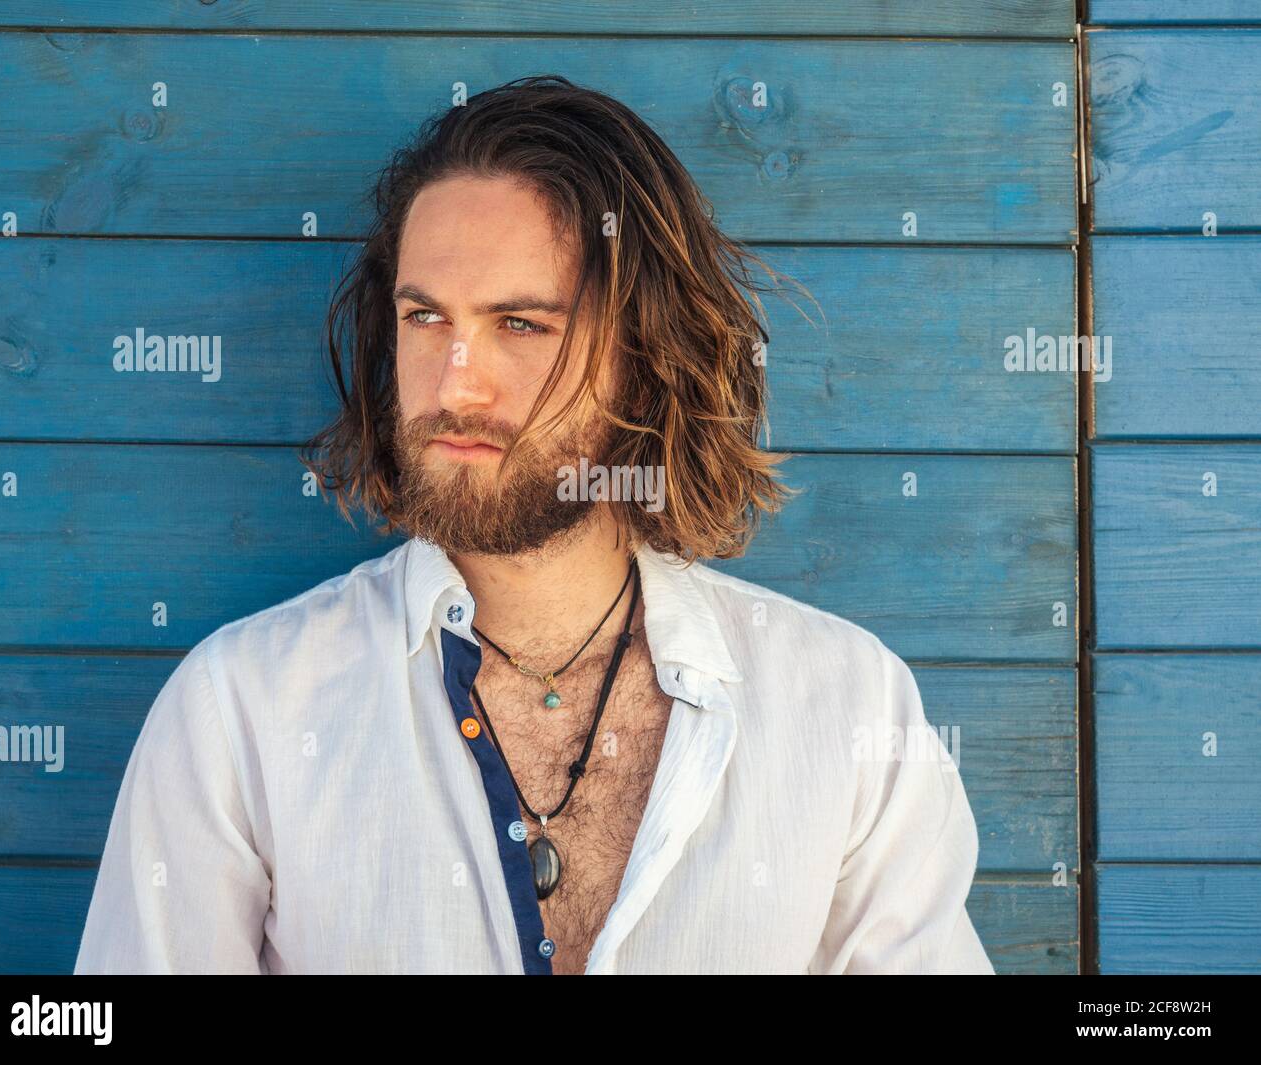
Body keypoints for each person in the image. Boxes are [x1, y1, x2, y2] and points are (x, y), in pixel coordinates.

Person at [74, 76, 994, 975]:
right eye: (425, 316)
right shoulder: (240, 713)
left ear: (645, 352)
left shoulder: (846, 708)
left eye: (520, 323)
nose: (454, 382)